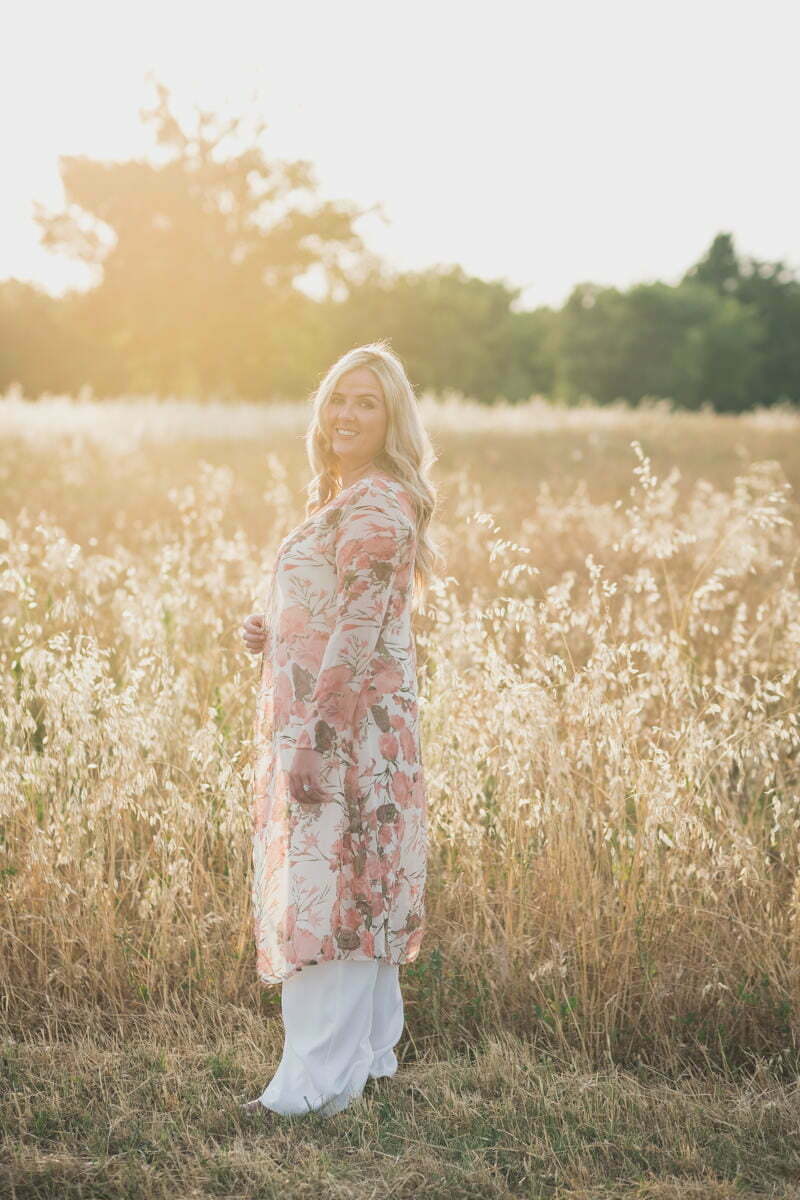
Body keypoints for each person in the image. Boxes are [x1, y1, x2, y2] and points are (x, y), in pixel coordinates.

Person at [239, 341, 439, 1119]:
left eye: (367, 402)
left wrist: (317, 740)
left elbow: (359, 636)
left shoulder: (377, 501)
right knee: (355, 892)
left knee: (328, 901)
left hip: (346, 735)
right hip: (341, 725)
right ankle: (365, 1063)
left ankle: (312, 1090)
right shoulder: (345, 497)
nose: (346, 414)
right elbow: (341, 612)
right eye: (338, 399)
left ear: (392, 419)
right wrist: (274, 631)